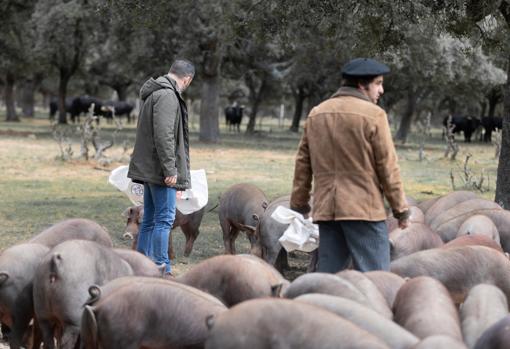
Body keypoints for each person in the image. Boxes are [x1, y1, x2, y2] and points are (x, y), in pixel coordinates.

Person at [290, 58, 409, 273]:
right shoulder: (374, 115)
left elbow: (303, 163)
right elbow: (387, 167)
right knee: (376, 278)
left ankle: (324, 308)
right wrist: (401, 210)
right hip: (364, 210)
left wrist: (300, 203)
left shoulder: (317, 113)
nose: (381, 90)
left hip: (328, 210)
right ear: (362, 85)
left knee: (329, 278)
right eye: (378, 83)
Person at [128, 59, 195, 275]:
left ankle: (141, 265)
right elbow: (164, 136)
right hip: (159, 170)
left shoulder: (156, 92)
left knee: (149, 219)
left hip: (150, 168)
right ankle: (161, 267)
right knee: (164, 219)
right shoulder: (167, 96)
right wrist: (170, 170)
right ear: (187, 79)